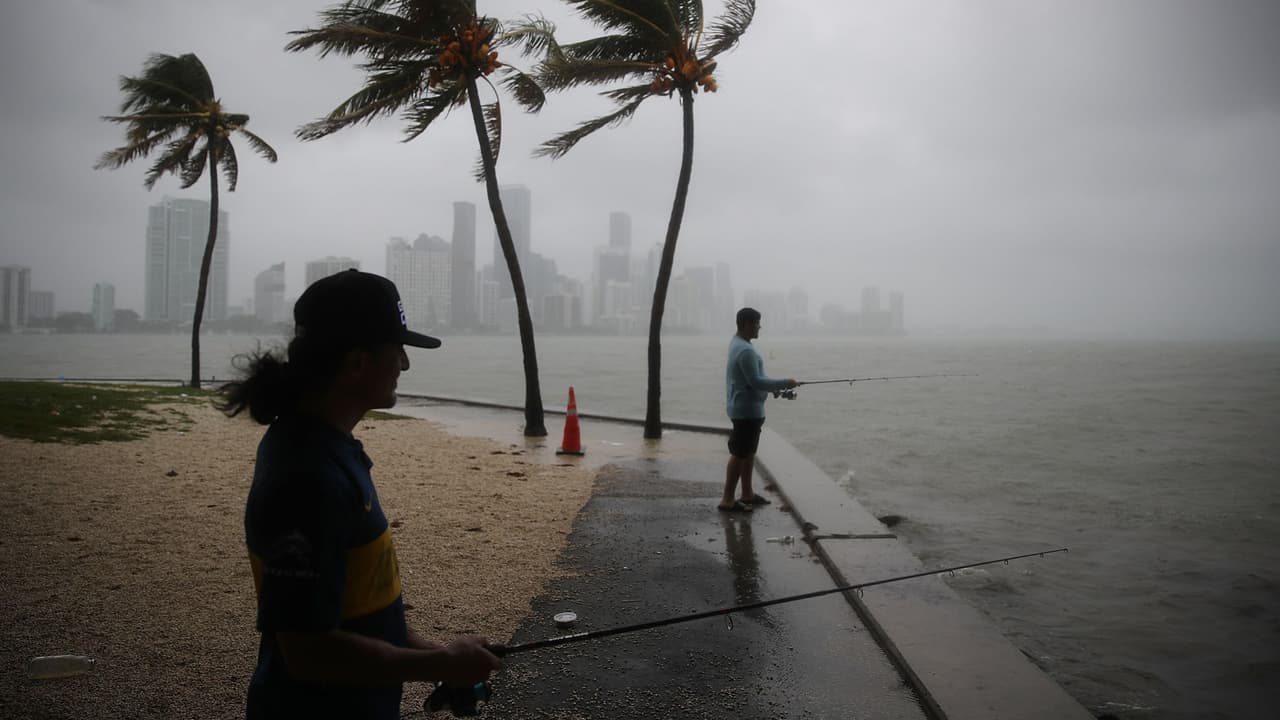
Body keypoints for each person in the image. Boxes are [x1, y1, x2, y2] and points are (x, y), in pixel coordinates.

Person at [218, 269, 501, 719]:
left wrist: (442, 659)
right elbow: (309, 651)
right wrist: (440, 664)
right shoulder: (305, 478)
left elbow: (360, 612)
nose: (405, 364)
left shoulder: (325, 446)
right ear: (357, 364)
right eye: (398, 350)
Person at [722, 307, 797, 513]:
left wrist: (772, 389)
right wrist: (786, 382)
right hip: (746, 411)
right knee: (739, 453)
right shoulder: (745, 350)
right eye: (756, 323)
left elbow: (750, 381)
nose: (759, 327)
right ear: (746, 324)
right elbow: (755, 381)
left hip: (747, 408)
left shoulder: (738, 343)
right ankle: (727, 499)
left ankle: (747, 493)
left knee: (748, 452)